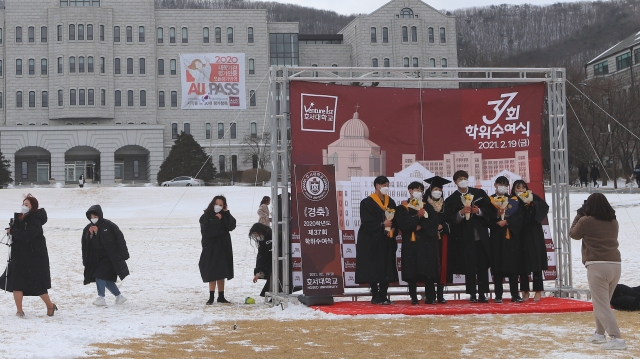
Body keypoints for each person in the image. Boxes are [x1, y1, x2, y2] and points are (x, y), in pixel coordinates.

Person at [570, 193, 627, 350]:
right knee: (602, 302)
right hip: (615, 264)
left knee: (601, 304)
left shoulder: (586, 221)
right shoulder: (613, 221)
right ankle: (599, 334)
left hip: (597, 265)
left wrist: (579, 214)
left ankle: (616, 338)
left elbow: (573, 234)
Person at [1, 194, 57, 317]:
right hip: (19, 256)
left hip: (34, 258)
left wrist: (14, 231)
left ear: (33, 206)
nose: (23, 207)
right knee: (16, 283)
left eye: (26, 205)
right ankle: (19, 311)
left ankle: (50, 305)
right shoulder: (21, 218)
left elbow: (28, 236)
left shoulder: (35, 220)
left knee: (38, 285)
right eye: (23, 204)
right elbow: (20, 235)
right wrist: (12, 228)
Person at [444, 170, 492, 303]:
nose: (463, 181)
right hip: (464, 238)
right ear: (455, 182)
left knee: (482, 266)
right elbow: (450, 219)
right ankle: (472, 293)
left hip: (480, 236)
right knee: (470, 266)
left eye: (465, 178)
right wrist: (460, 212)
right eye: (460, 179)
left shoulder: (479, 194)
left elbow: (489, 210)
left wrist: (479, 211)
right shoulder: (451, 199)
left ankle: (483, 293)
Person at [355, 175, 398, 305]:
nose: (386, 188)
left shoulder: (390, 202)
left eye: (387, 185)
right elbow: (366, 221)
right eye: (383, 185)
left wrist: (393, 229)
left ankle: (384, 295)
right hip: (371, 240)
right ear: (377, 186)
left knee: (386, 267)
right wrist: (381, 224)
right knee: (373, 268)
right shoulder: (367, 202)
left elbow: (395, 220)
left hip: (386, 240)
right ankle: (375, 295)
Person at [395, 181, 440, 304]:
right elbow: (402, 223)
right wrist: (417, 219)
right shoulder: (403, 208)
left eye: (421, 190)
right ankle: (413, 297)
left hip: (426, 243)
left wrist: (421, 225)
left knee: (429, 270)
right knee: (411, 271)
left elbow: (434, 222)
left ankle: (430, 297)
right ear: (410, 191)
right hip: (411, 244)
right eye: (416, 189)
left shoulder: (427, 206)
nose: (419, 192)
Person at [81, 205, 129, 306]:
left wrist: (124, 254)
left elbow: (119, 238)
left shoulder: (108, 225)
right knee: (105, 279)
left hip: (110, 257)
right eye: (91, 217)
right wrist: (90, 235)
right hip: (96, 258)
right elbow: (85, 244)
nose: (93, 219)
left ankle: (101, 297)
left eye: (95, 216)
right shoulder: (87, 228)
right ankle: (119, 297)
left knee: (99, 275)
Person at [488, 176, 525, 303]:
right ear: (495, 185)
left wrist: (507, 221)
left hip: (511, 237)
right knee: (497, 266)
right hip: (497, 237)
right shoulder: (490, 200)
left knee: (513, 266)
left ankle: (515, 294)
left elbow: (520, 217)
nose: (502, 186)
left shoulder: (514, 201)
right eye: (500, 184)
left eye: (505, 184)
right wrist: (496, 216)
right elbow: (485, 219)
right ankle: (498, 295)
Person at [512, 180, 549, 302]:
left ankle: (538, 290)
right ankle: (525, 290)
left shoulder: (533, 197)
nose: (521, 190)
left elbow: (544, 207)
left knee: (536, 263)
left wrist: (533, 205)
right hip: (520, 234)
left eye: (523, 187)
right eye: (518, 187)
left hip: (534, 234)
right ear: (514, 189)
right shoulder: (513, 200)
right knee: (522, 264)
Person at [199, 195, 237, 304]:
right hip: (210, 247)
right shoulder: (206, 216)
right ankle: (211, 296)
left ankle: (221, 295)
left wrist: (227, 213)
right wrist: (216, 219)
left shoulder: (225, 215)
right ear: (212, 204)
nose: (218, 207)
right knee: (212, 271)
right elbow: (207, 230)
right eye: (217, 204)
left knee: (222, 271)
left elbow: (231, 226)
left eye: (221, 205)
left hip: (223, 246)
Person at [424, 176, 452, 304]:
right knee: (430, 265)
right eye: (435, 188)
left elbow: (452, 221)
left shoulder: (446, 205)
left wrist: (443, 226)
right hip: (428, 238)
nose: (438, 191)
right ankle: (430, 295)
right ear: (430, 190)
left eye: (440, 189)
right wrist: (432, 227)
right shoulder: (424, 203)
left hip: (443, 238)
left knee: (443, 264)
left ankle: (440, 294)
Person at [249, 223, 272, 297]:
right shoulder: (262, 243)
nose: (256, 237)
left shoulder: (272, 237)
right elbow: (261, 257)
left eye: (256, 234)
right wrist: (259, 272)